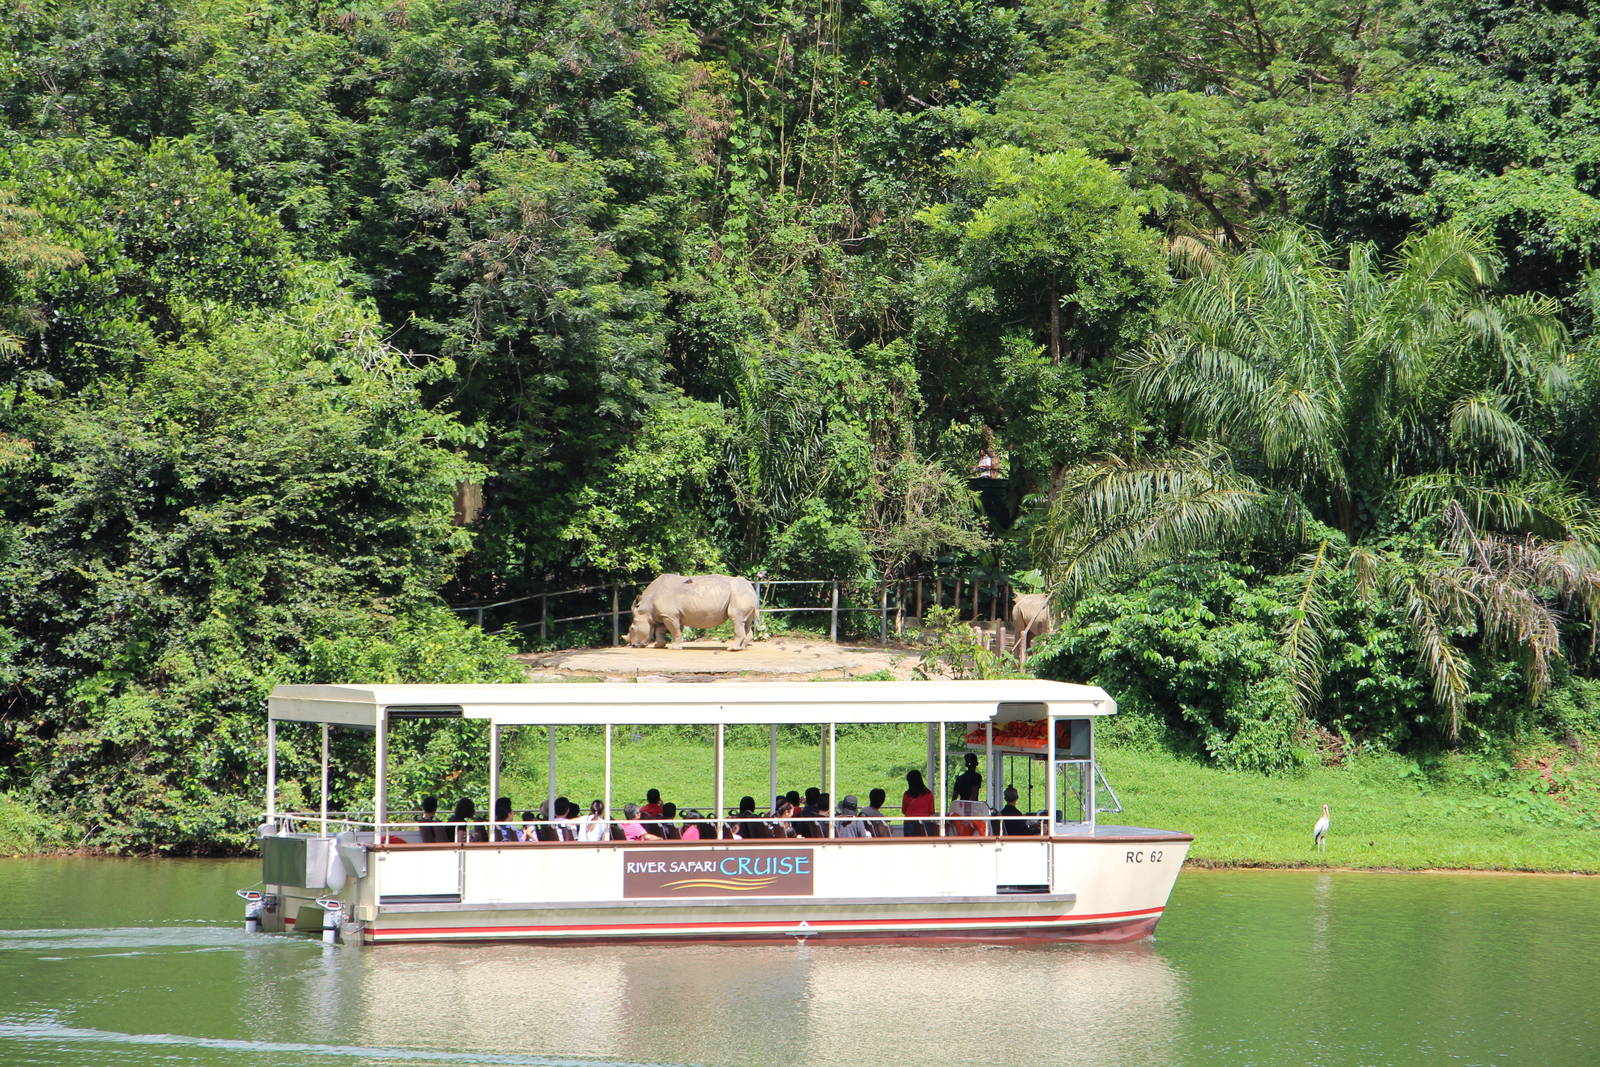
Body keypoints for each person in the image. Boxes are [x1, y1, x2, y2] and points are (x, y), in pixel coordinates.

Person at [952, 753, 984, 836]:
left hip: (961, 807)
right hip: (973, 808)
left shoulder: (960, 778)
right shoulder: (977, 777)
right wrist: (969, 810)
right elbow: (974, 793)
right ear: (976, 765)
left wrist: (953, 810)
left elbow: (954, 797)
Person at [902, 769, 935, 836]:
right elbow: (932, 811)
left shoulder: (906, 794)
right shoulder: (929, 794)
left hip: (909, 822)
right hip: (925, 823)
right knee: (925, 844)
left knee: (910, 844)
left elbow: (903, 811)